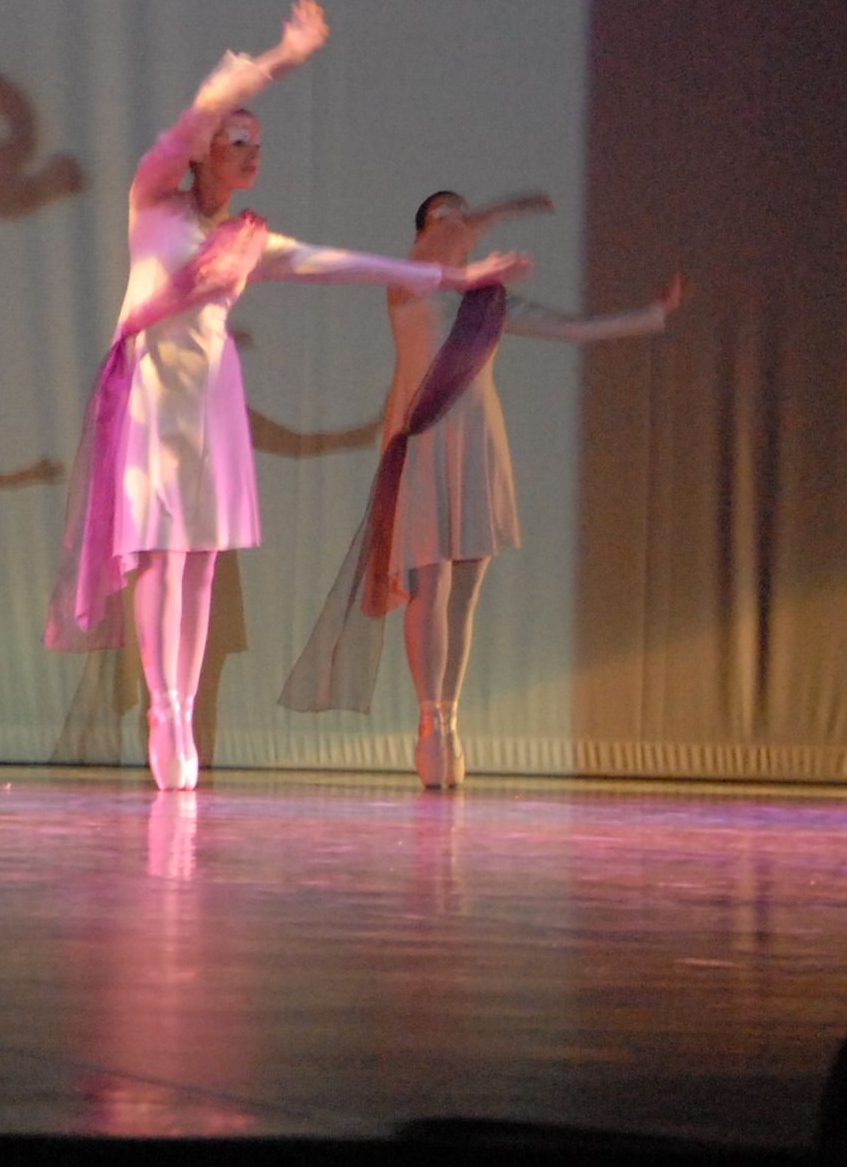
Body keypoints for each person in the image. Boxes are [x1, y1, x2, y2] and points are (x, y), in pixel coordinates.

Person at [45, 0, 527, 791]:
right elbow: (195, 113)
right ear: (202, 150)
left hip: (212, 403)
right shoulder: (153, 198)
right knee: (161, 555)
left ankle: (183, 703)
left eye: (258, 144)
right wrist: (281, 58)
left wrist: (453, 277)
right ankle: (163, 709)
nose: (250, 153)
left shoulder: (246, 241)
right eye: (236, 140)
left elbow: (341, 265)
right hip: (155, 399)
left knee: (201, 561)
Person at [278, 191, 679, 785]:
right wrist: (495, 212)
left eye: (461, 214)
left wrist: (652, 314)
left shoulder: (487, 300)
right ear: (424, 231)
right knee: (429, 585)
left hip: (476, 445)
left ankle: (449, 717)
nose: (456, 222)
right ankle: (427, 722)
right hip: (425, 440)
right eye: (445, 215)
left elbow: (571, 328)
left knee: (462, 593)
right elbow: (436, 249)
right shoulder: (409, 282)